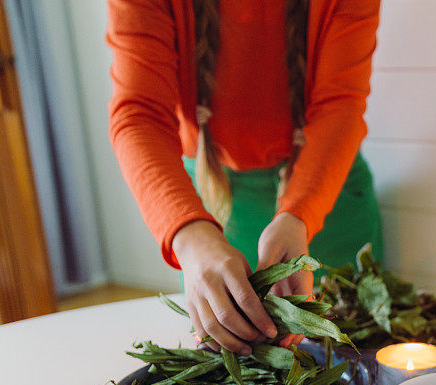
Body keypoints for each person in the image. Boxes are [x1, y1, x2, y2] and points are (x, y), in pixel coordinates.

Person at [107, 0, 383, 356]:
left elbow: (340, 106)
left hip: (328, 201)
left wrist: (300, 215)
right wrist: (191, 236)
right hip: (207, 211)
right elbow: (138, 113)